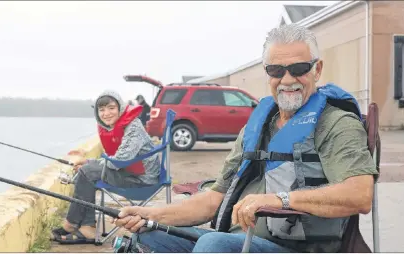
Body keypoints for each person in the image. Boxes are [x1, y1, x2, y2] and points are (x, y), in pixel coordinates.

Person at [114, 23, 378, 253]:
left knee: (214, 246)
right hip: (241, 241)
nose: (287, 79)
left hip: (297, 248)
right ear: (267, 74)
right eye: (276, 70)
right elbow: (215, 197)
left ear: (317, 70)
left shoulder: (336, 124)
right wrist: (150, 214)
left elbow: (359, 194)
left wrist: (281, 199)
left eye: (298, 68)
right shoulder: (258, 125)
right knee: (151, 236)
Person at [50, 90, 160, 244]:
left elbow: (120, 159)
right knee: (86, 171)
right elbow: (116, 160)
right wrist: (89, 162)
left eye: (111, 108)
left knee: (87, 172)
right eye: (101, 110)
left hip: (142, 180)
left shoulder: (133, 126)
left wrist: (90, 164)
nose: (106, 113)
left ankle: (74, 224)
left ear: (120, 107)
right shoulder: (123, 124)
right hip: (132, 173)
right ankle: (84, 226)